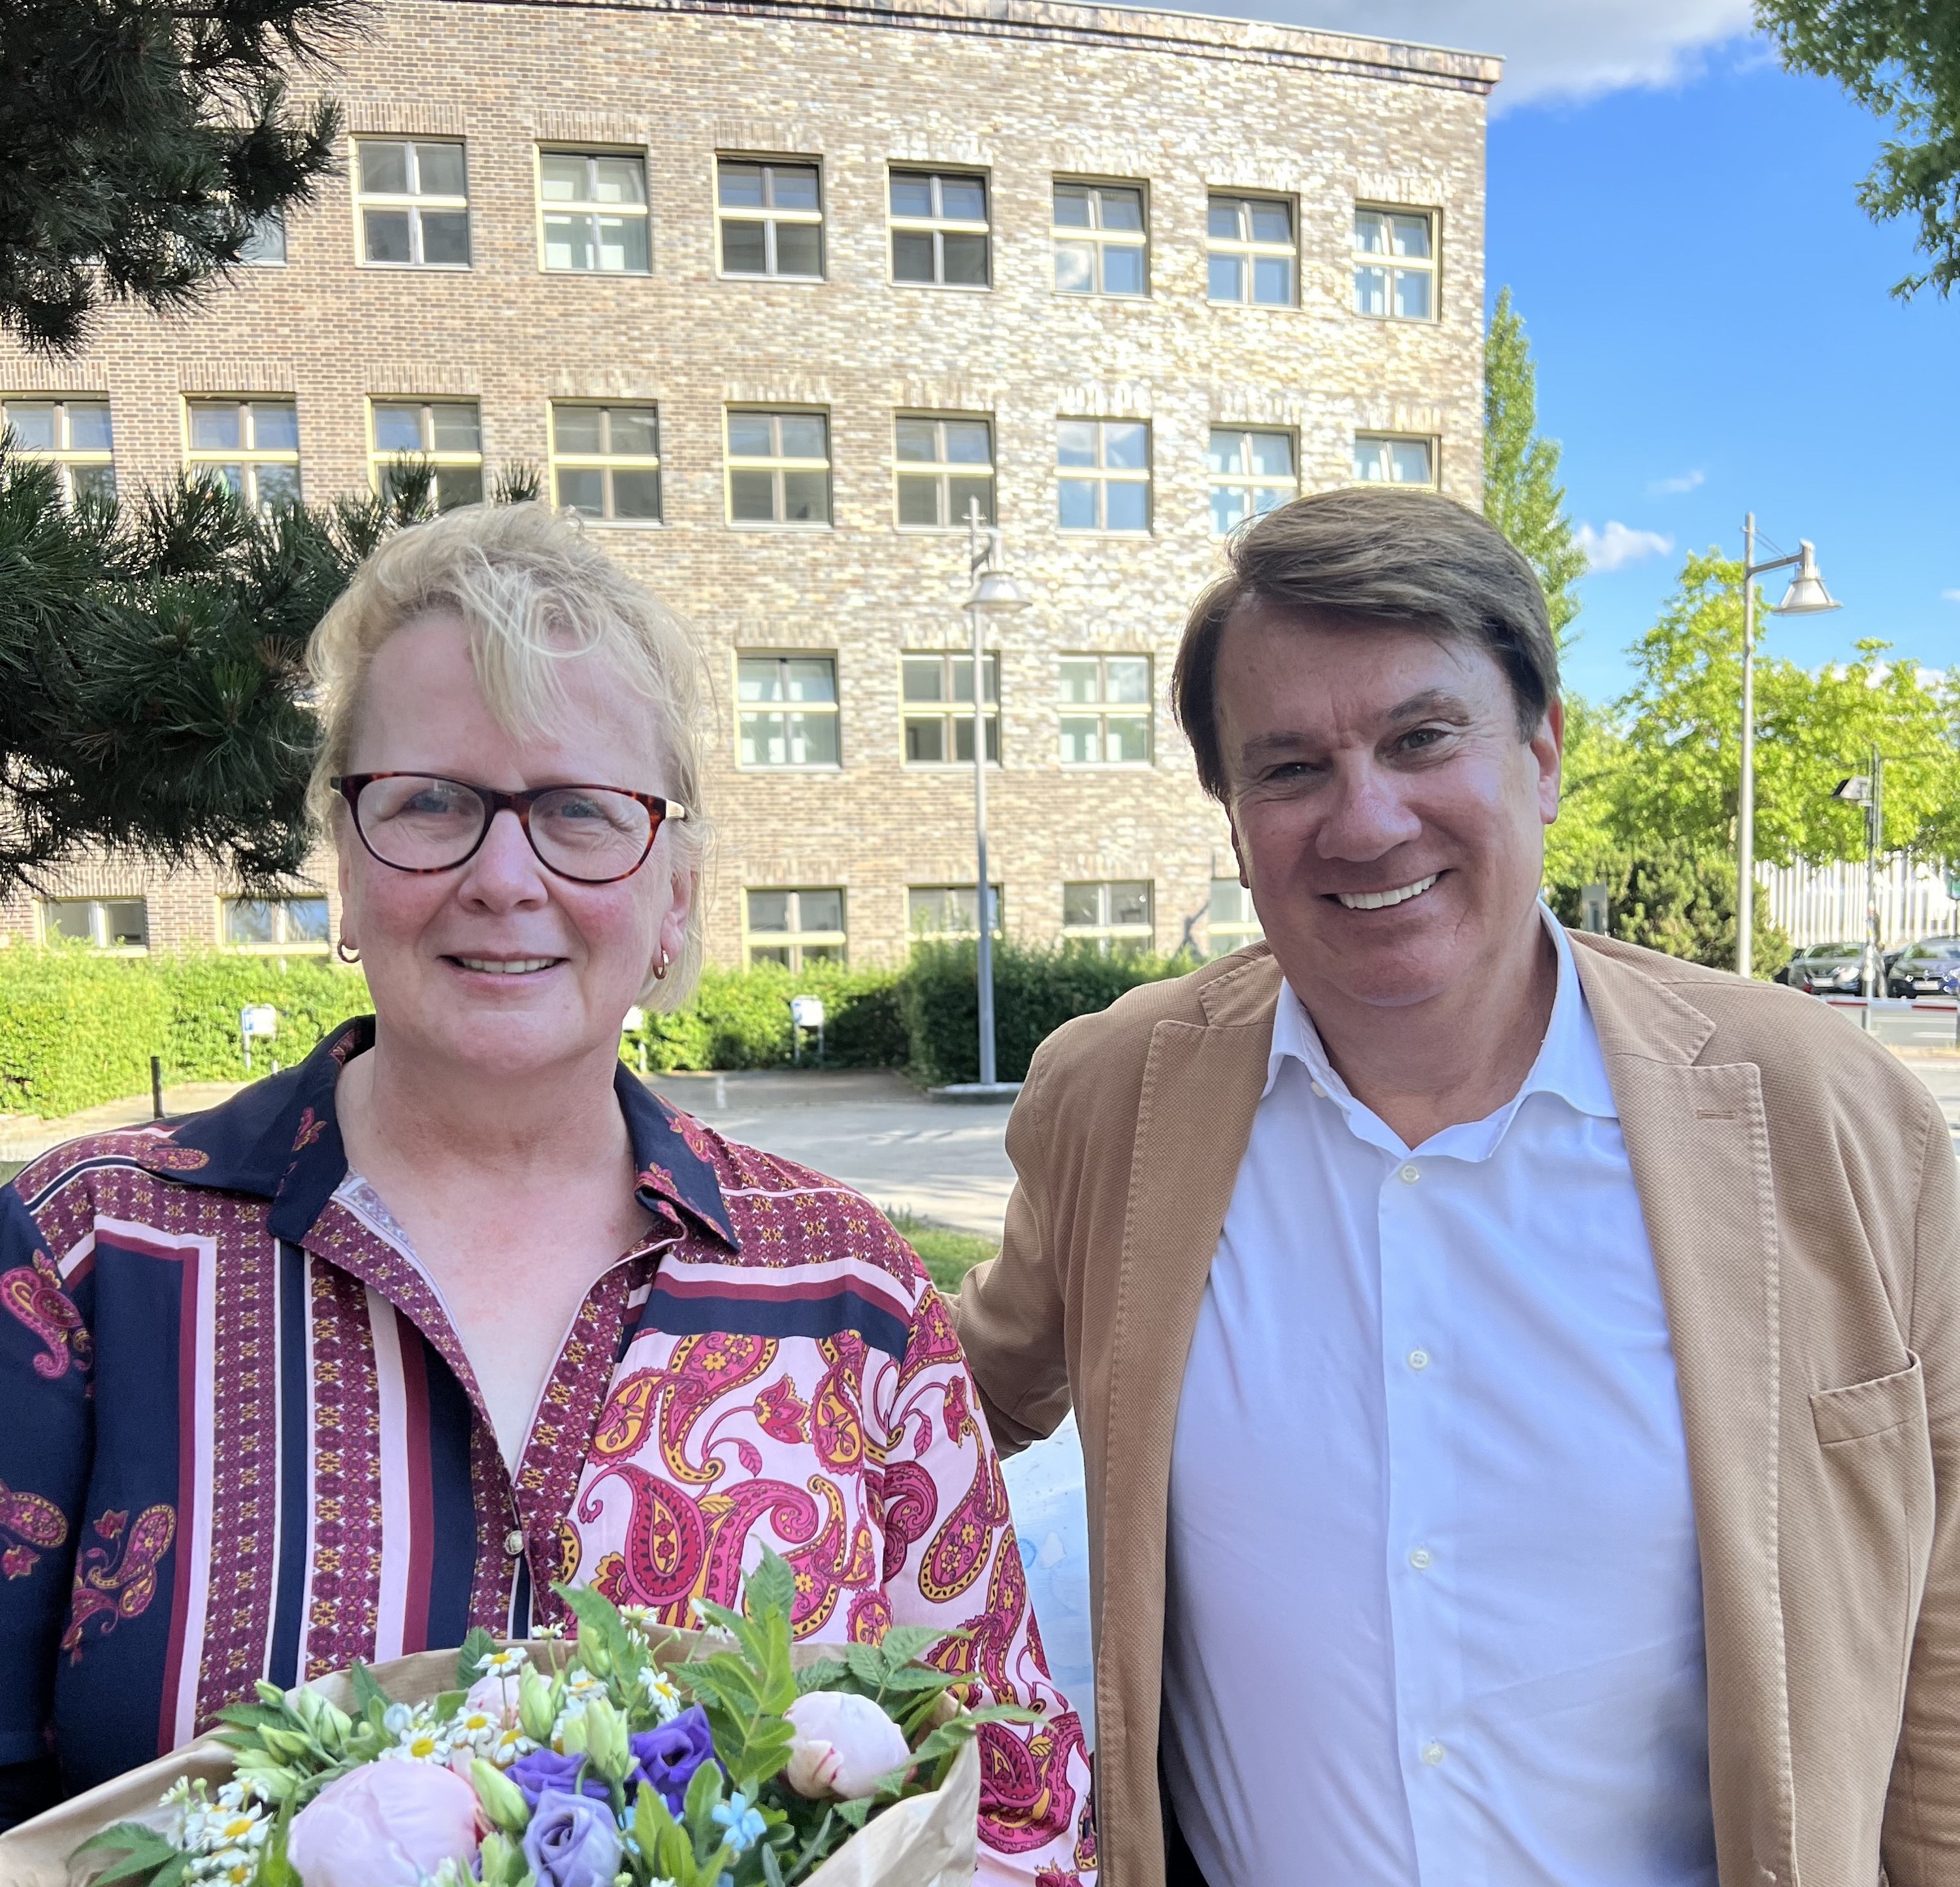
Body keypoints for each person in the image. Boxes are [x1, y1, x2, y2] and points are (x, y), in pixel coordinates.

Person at [0, 504, 1096, 1881]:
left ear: (676, 897)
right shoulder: (87, 1260)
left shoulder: (846, 1291)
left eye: (579, 810)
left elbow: (1018, 1797)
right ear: (342, 864)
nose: (502, 877)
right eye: (430, 803)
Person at [953, 487, 1959, 1887]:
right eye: (1290, 767)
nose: (1364, 820)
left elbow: (1945, 1606)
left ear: (1543, 751)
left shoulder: (1826, 1116)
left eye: (1423, 737)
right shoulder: (1117, 1104)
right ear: (1235, 825)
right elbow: (929, 1411)